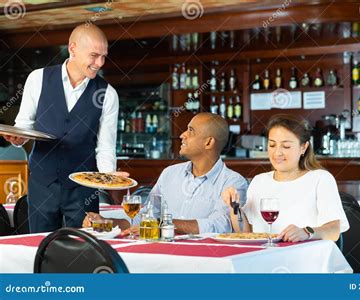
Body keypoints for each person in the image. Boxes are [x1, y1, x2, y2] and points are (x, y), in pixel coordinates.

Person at [2, 24, 123, 233]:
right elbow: (24, 125)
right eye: (94, 56)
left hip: (84, 187)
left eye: (104, 56)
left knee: (85, 246)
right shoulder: (37, 78)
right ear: (72, 48)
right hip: (42, 182)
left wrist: (110, 178)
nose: (99, 63)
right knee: (40, 244)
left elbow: (105, 147)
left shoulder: (108, 94)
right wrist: (18, 137)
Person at [83, 113, 248, 235]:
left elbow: (220, 225)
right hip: (159, 254)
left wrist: (162, 225)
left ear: (209, 142)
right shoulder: (170, 173)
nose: (182, 135)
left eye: (191, 131)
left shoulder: (233, 182)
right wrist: (104, 223)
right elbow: (142, 220)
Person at [221, 114, 349, 242]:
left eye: (286, 146)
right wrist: (234, 207)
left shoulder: (320, 179)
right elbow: (245, 232)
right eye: (272, 145)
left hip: (306, 257)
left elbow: (334, 231)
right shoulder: (259, 181)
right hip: (265, 257)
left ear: (303, 147)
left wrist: (306, 232)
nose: (277, 153)